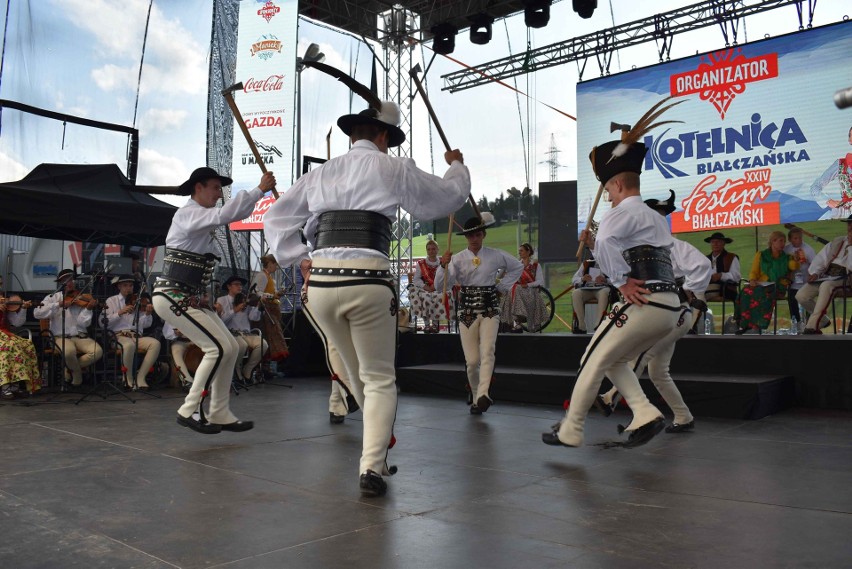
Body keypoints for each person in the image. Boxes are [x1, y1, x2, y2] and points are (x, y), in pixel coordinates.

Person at [263, 95, 470, 497]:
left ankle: (378, 433)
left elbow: (276, 218)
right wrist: (456, 166)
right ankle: (372, 464)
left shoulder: (320, 174)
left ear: (350, 136)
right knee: (378, 378)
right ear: (381, 137)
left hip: (320, 287)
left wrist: (299, 256)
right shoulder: (393, 167)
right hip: (368, 281)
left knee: (356, 373)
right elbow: (447, 197)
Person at [542, 122, 682, 449]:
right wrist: (594, 244)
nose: (607, 195)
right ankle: (645, 411)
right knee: (613, 359)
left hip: (643, 302)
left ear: (617, 183)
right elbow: (637, 249)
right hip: (669, 305)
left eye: (607, 189)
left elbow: (608, 242)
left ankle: (571, 429)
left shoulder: (618, 214)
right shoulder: (655, 216)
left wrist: (621, 280)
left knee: (591, 357)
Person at [152, 166, 275, 434]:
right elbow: (225, 215)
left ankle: (219, 411)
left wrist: (202, 295)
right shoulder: (187, 214)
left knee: (230, 346)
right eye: (216, 188)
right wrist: (259, 190)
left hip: (186, 298)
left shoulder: (198, 218)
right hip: (172, 296)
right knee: (216, 348)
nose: (219, 195)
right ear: (198, 187)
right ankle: (189, 408)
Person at [596, 191, 712, 433]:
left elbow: (702, 265)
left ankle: (612, 399)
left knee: (641, 354)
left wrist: (690, 291)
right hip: (662, 310)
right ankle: (683, 417)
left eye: (658, 216)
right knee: (658, 372)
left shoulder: (674, 246)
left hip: (677, 310)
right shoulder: (645, 248)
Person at [435, 214, 523, 414]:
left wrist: (502, 287)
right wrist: (443, 266)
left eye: (477, 235)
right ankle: (475, 395)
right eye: (470, 236)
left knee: (488, 350)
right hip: (466, 311)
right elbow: (440, 285)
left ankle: (484, 394)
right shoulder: (456, 259)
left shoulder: (495, 255)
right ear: (466, 238)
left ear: (483, 235)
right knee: (472, 361)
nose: (474, 239)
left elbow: (517, 266)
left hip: (490, 309)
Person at [33, 269, 103, 387]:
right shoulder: (52, 297)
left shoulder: (82, 298)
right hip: (60, 337)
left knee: (97, 351)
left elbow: (84, 324)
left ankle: (70, 369)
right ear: (60, 283)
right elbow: (37, 313)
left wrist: (88, 309)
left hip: (80, 336)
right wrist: (58, 304)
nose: (69, 282)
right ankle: (77, 374)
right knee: (69, 351)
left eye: (71, 279)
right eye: (65, 280)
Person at [795, 215, 852, 334]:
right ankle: (823, 321)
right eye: (849, 224)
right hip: (828, 275)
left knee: (826, 286)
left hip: (847, 277)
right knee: (801, 295)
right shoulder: (838, 241)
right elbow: (822, 257)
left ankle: (812, 326)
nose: (850, 227)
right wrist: (815, 273)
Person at [105, 275, 161, 390]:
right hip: (118, 336)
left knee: (155, 343)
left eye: (131, 286)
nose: (128, 288)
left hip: (136, 336)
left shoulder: (138, 300)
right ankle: (128, 378)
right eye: (125, 285)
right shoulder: (111, 300)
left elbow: (145, 325)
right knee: (129, 345)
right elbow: (104, 323)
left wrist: (147, 314)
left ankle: (141, 377)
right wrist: (119, 313)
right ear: (119, 286)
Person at [736, 231, 798, 334]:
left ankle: (758, 325)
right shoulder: (761, 255)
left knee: (761, 294)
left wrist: (796, 260)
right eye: (781, 241)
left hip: (777, 287)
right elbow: (754, 271)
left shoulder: (787, 257)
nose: (783, 244)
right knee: (745, 291)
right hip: (762, 284)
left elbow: (794, 266)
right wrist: (752, 280)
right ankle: (744, 324)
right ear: (773, 241)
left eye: (784, 241)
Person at [216, 275, 266, 383]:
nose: (240, 287)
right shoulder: (222, 300)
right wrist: (235, 310)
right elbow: (221, 321)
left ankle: (247, 369)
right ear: (229, 286)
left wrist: (257, 306)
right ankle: (236, 370)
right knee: (242, 345)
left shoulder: (245, 299)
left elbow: (254, 317)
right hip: (231, 333)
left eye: (241, 285)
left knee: (263, 345)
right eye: (236, 284)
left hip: (247, 333)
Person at [0, 294, 40, 399]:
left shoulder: (5, 301)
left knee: (24, 346)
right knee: (6, 348)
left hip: (5, 334)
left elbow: (17, 323)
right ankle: (5, 386)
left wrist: (23, 308)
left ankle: (15, 385)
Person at [499, 242, 546, 333]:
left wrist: (527, 285)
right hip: (516, 291)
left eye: (521, 250)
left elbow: (540, 282)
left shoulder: (536, 266)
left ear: (528, 252)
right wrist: (504, 266)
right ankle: (511, 323)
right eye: (519, 251)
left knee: (516, 288)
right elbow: (501, 276)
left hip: (530, 292)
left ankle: (516, 322)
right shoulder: (516, 266)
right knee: (511, 290)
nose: (519, 252)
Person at [409, 239, 445, 333]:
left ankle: (435, 325)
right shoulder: (421, 264)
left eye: (433, 249)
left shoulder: (443, 262)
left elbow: (447, 276)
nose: (431, 251)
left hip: (439, 288)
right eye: (429, 249)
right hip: (426, 289)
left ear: (437, 249)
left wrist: (437, 286)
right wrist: (426, 288)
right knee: (425, 297)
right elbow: (416, 279)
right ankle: (427, 325)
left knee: (439, 296)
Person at [783, 227, 816, 326]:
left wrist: (811, 273)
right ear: (790, 239)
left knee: (807, 302)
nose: (799, 240)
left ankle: (811, 324)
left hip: (806, 282)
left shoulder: (808, 249)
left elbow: (815, 264)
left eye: (800, 238)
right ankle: (796, 323)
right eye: (795, 238)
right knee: (792, 301)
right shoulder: (786, 249)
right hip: (793, 282)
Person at [570, 257, 611, 334]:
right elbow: (573, 280)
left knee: (604, 293)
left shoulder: (609, 261)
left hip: (602, 288)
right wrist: (582, 278)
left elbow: (618, 279)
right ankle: (581, 325)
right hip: (587, 288)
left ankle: (599, 324)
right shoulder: (587, 262)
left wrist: (605, 280)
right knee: (576, 293)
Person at [704, 232, 741, 301]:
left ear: (724, 243)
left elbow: (736, 277)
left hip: (726, 289)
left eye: (719, 242)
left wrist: (721, 276)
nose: (715, 244)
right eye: (713, 242)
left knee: (698, 295)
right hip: (707, 287)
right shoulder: (705, 259)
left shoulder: (731, 257)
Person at [162, 322, 194, 388]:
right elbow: (166, 333)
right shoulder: (172, 314)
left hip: (198, 341)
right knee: (176, 351)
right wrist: (175, 333)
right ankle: (187, 380)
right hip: (180, 341)